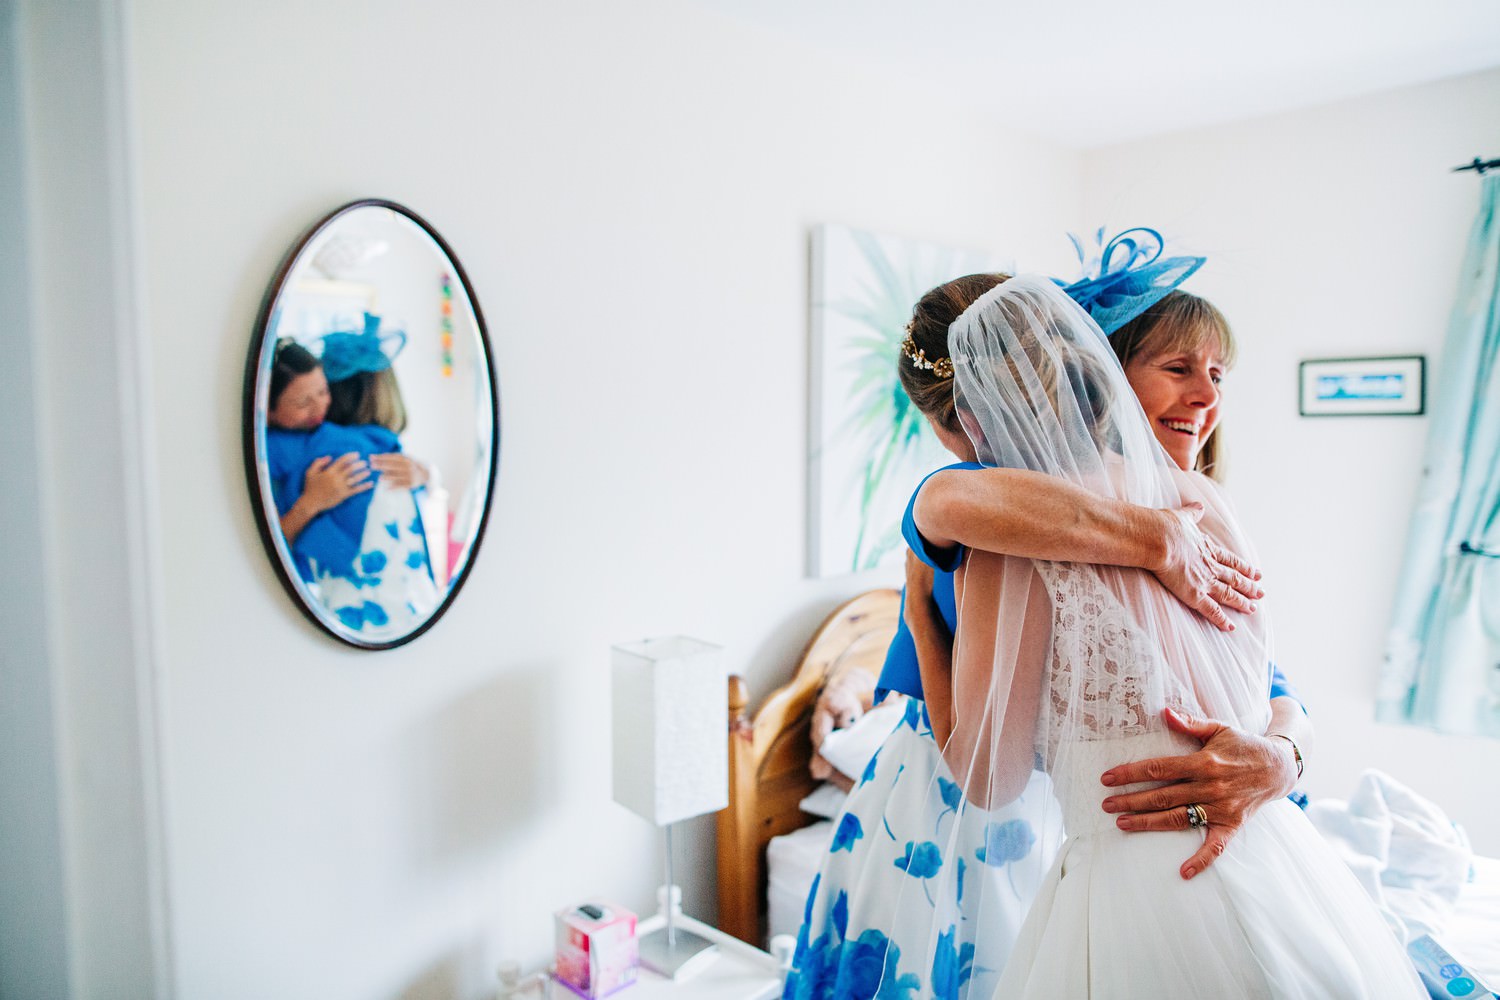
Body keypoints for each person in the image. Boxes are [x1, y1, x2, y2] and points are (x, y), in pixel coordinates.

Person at [799, 273, 1424, 998]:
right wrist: (1156, 540)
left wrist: (1283, 754)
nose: (1205, 397)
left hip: (1093, 842)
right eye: (1177, 368)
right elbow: (945, 498)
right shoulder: (1190, 507)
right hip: (1241, 857)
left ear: (965, 420)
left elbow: (991, 775)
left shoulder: (1013, 539)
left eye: (1216, 374)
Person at [264, 322, 439, 636]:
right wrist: (310, 503)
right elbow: (262, 548)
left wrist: (427, 475)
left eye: (323, 391)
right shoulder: (279, 454)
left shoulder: (378, 453)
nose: (321, 406)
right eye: (304, 402)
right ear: (267, 412)